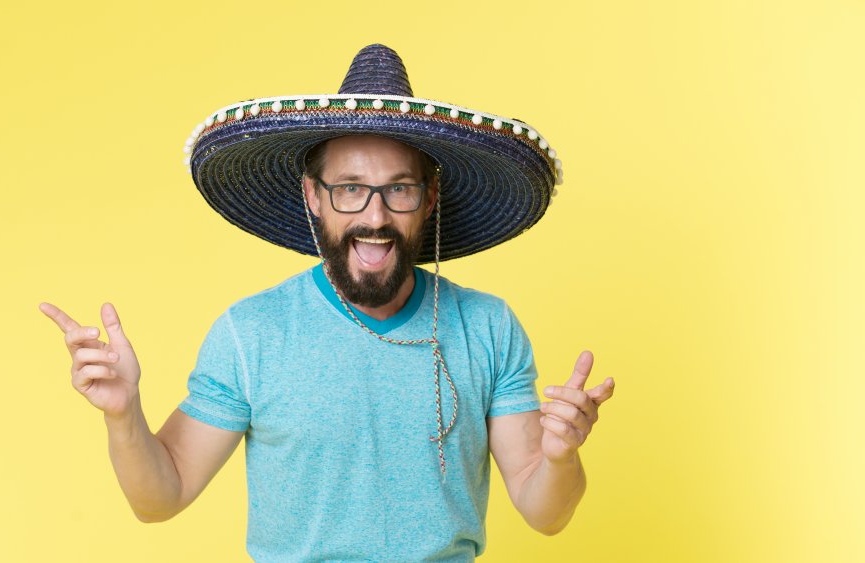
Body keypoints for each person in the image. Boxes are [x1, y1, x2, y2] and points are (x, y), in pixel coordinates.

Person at [40, 44, 615, 562]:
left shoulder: (488, 327)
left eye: (399, 188)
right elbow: (159, 498)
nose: (375, 215)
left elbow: (548, 514)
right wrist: (123, 415)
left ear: (429, 197)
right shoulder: (253, 332)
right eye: (349, 188)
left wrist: (562, 455)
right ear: (314, 195)